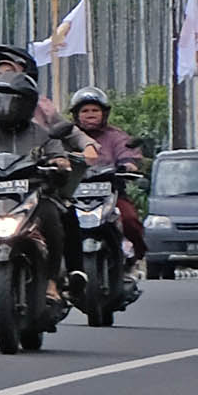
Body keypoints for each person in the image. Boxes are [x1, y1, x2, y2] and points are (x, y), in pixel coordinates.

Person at [0, 42, 81, 302]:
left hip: (31, 196)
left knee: (54, 217)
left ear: (27, 102)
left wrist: (60, 163)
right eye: (0, 98)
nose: (6, 105)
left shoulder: (41, 132)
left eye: (13, 99)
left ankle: (53, 282)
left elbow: (57, 153)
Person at [63, 87, 147, 281]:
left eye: (95, 110)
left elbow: (128, 155)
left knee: (129, 220)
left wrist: (128, 165)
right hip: (72, 195)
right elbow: (54, 154)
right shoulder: (67, 137)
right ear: (76, 115)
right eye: (85, 111)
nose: (90, 115)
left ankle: (132, 261)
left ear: (104, 113)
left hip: (111, 193)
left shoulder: (116, 136)